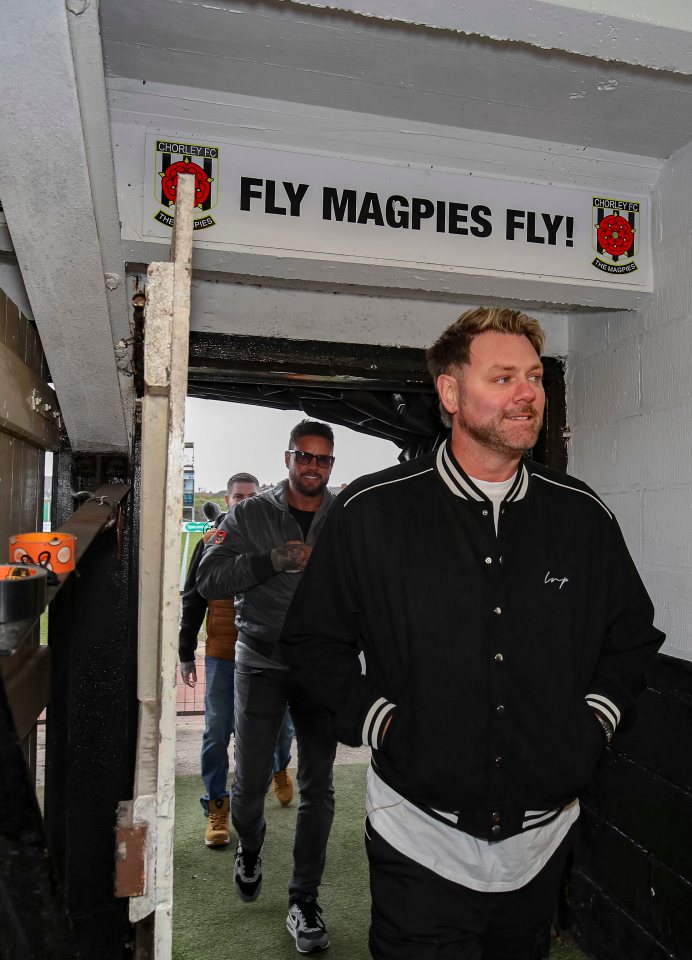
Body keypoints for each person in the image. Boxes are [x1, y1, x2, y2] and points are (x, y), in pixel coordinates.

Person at [280, 307, 665, 960]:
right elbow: (313, 644)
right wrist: (384, 725)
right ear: (451, 394)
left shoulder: (581, 515)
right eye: (505, 376)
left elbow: (630, 638)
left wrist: (590, 726)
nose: (529, 394)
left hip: (543, 846)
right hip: (419, 838)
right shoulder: (373, 511)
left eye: (536, 377)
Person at [197, 420, 338, 954]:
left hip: (321, 666)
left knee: (318, 786)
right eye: (305, 456)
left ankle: (304, 900)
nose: (313, 467)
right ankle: (250, 846)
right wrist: (269, 562)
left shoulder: (341, 518)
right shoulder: (251, 513)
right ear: (288, 458)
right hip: (259, 661)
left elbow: (368, 584)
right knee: (250, 779)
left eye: (323, 460)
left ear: (330, 466)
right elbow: (208, 579)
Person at [179, 472, 296, 850]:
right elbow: (193, 598)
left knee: (281, 730)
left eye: (251, 496)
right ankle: (217, 807)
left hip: (267, 654)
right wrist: (185, 652)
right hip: (223, 655)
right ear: (228, 501)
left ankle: (280, 766)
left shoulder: (274, 542)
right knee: (217, 732)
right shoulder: (211, 543)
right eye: (237, 497)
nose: (244, 502)